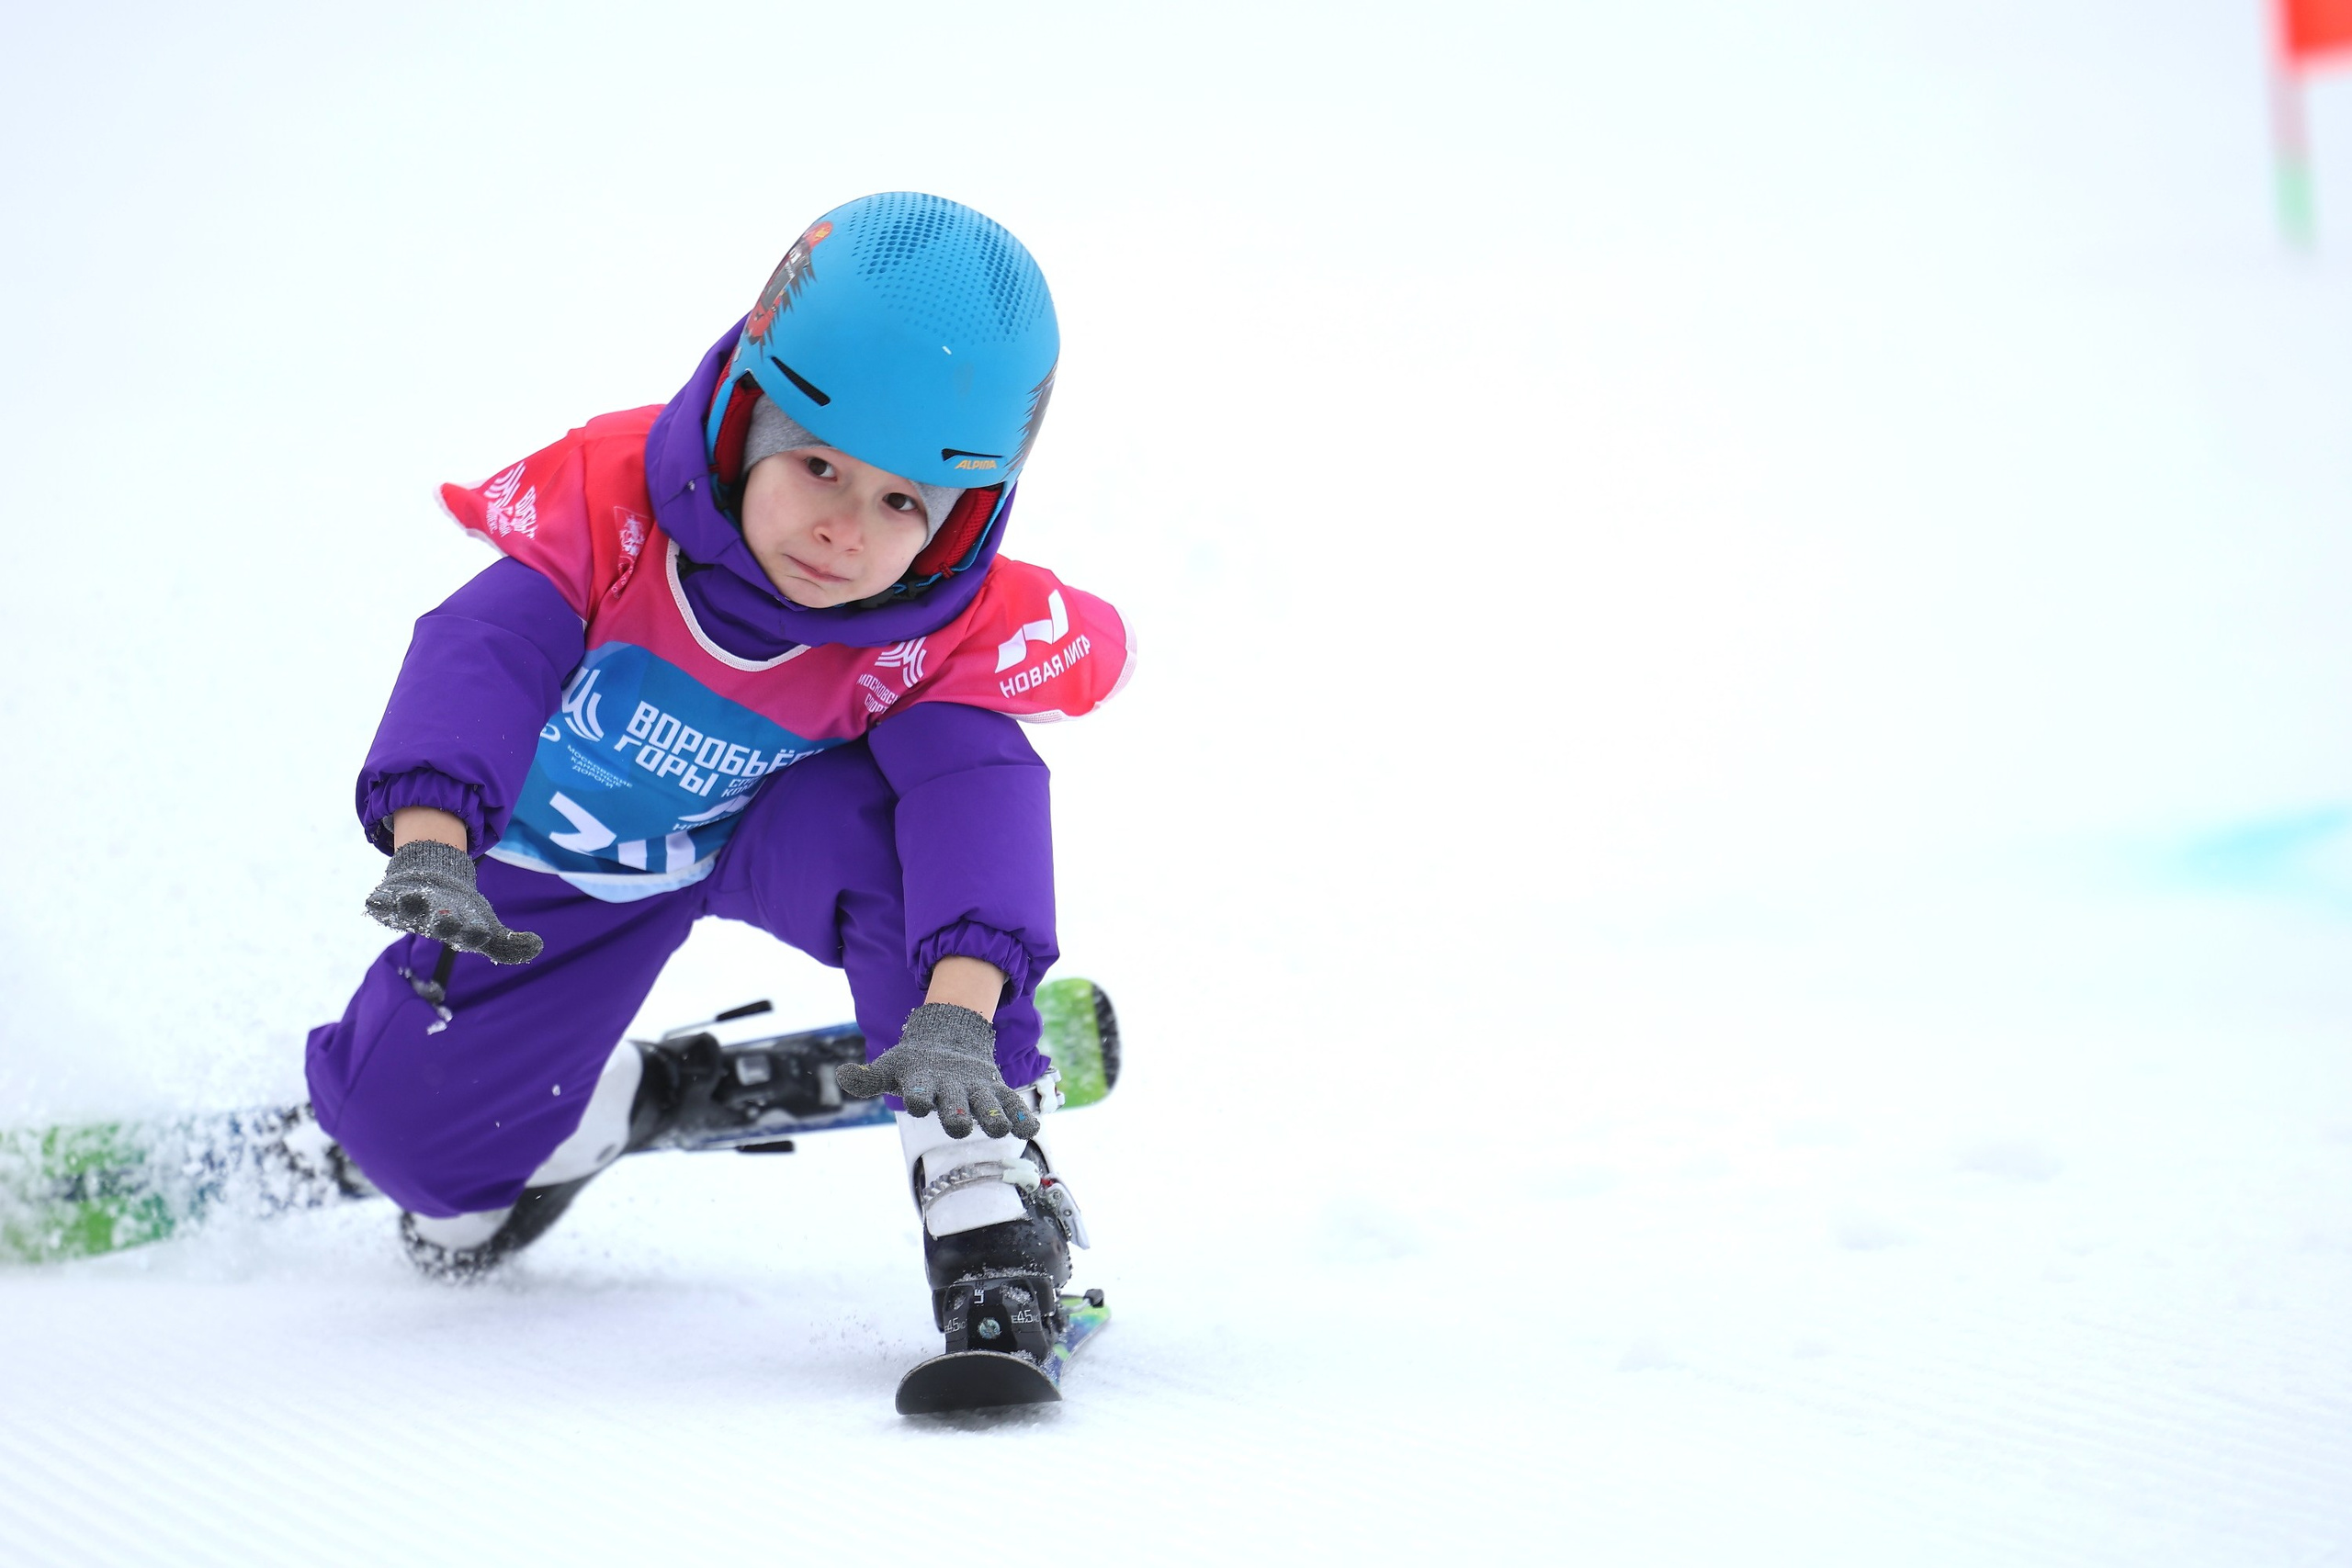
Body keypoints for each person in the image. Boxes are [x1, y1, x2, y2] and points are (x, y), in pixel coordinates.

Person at [303, 193, 1130, 1341]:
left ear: (963, 518)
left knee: (919, 808)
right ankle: (600, 1105)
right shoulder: (613, 514)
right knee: (433, 1194)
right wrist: (435, 839)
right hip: (560, 869)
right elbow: (483, 654)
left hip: (763, 828)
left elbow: (972, 800)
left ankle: (979, 1177)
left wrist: (959, 1015)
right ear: (748, 414)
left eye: (903, 501)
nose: (846, 529)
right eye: (821, 466)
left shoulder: (937, 622)